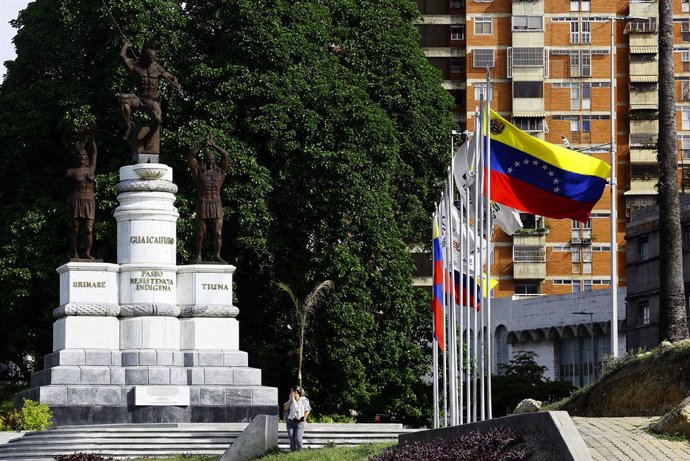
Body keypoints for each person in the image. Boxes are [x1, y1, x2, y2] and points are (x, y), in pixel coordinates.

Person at [118, 39, 180, 148]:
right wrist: (125, 46)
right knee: (123, 99)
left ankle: (149, 138)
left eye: (153, 58)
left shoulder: (158, 69)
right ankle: (128, 126)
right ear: (144, 57)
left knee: (157, 119)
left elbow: (172, 77)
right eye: (149, 58)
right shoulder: (137, 67)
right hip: (140, 99)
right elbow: (122, 57)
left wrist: (174, 81)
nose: (152, 60)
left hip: (153, 101)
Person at [187, 137, 230, 263]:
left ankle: (217, 255)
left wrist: (214, 146)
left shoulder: (220, 172)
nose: (210, 161)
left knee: (218, 233)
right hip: (203, 202)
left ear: (215, 161)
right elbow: (190, 156)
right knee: (201, 233)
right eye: (208, 159)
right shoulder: (198, 172)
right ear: (205, 160)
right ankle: (198, 256)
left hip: (216, 203)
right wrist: (202, 144)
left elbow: (226, 155)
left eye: (212, 159)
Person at [65, 135, 97, 260]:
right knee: (75, 229)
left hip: (90, 199)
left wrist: (91, 135)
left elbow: (94, 152)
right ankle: (75, 253)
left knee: (89, 229)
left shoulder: (91, 170)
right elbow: (64, 188)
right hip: (76, 199)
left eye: (84, 155)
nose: (82, 158)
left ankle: (87, 253)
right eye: (79, 156)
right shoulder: (71, 172)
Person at [283, 386, 311, 451]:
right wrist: (290, 399)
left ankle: (300, 452)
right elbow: (285, 408)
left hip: (299, 422)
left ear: (295, 392)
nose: (290, 393)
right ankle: (293, 453)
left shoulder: (304, 400)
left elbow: (307, 410)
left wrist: (303, 418)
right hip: (290, 421)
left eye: (291, 391)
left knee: (298, 439)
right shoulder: (291, 399)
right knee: (292, 439)